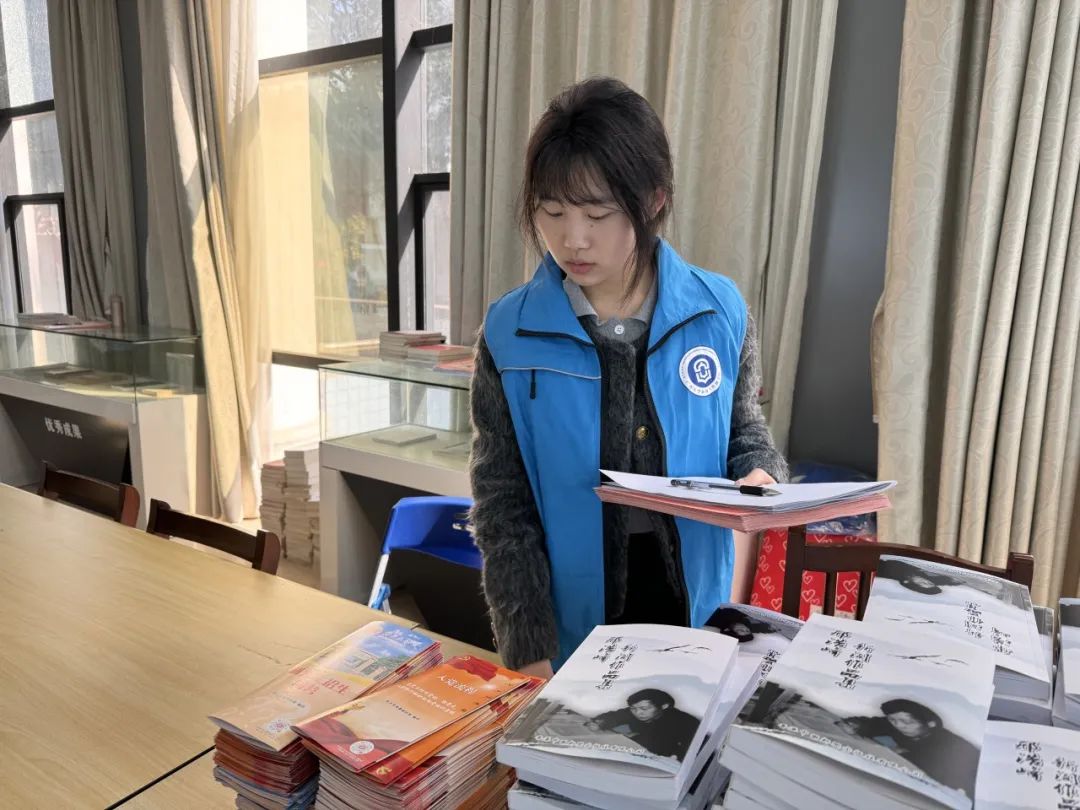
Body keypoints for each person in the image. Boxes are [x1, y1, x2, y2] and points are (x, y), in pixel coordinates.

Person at [469, 77, 788, 677]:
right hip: (572, 609)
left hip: (695, 598)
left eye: (597, 213)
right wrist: (527, 645)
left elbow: (744, 429)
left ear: (654, 200)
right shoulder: (511, 330)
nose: (572, 238)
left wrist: (760, 472)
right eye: (552, 212)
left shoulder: (718, 310)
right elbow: (503, 503)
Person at [839, 699, 980, 797]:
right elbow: (875, 724)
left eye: (906, 721)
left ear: (930, 724)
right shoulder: (898, 726)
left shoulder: (951, 745)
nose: (899, 726)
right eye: (892, 720)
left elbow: (948, 775)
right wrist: (857, 725)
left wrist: (905, 756)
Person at [588, 689, 699, 761]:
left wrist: (676, 755)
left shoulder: (684, 722)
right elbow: (616, 716)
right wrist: (600, 723)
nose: (638, 713)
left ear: (664, 706)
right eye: (633, 708)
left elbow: (688, 747)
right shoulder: (637, 711)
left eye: (644, 708)